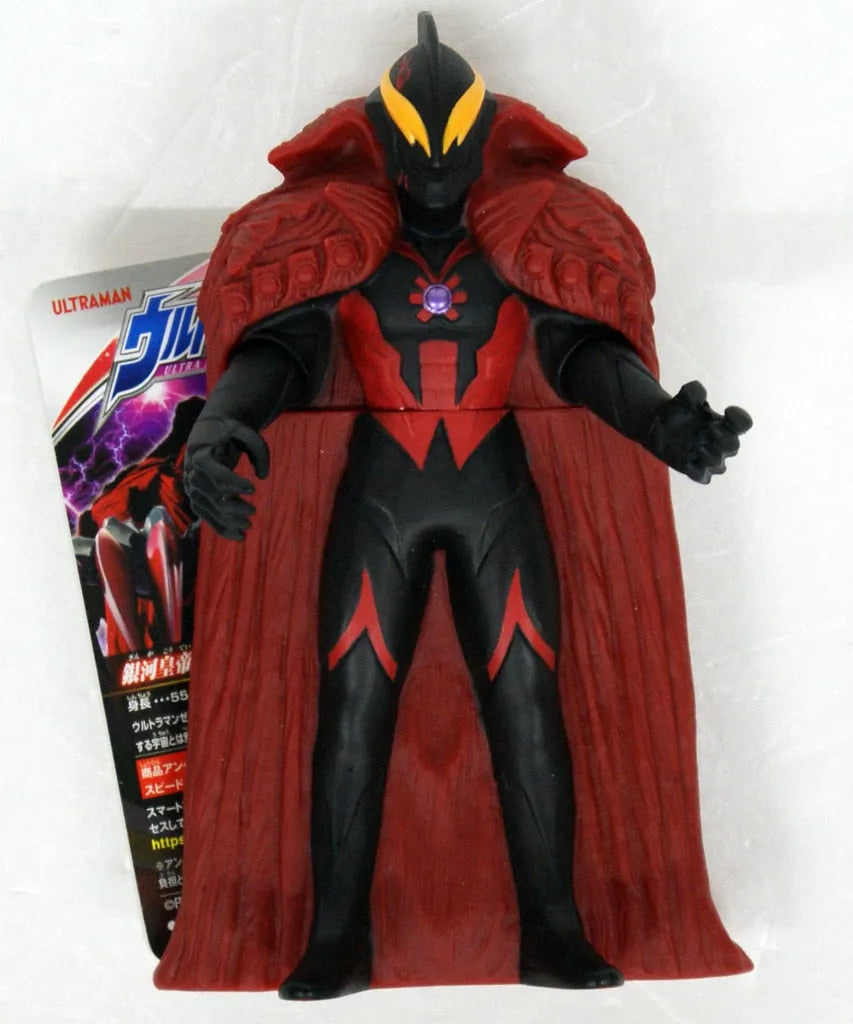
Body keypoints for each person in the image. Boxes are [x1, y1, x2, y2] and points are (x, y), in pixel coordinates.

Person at [178, 12, 751, 1001]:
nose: (436, 180)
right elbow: (282, 352)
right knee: (353, 707)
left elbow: (581, 352)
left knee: (526, 701)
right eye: (418, 158)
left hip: (492, 484)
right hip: (383, 489)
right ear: (385, 145)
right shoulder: (345, 246)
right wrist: (219, 422)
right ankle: (335, 937)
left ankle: (553, 929)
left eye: (452, 156)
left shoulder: (516, 243)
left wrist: (662, 422)